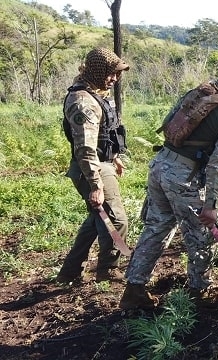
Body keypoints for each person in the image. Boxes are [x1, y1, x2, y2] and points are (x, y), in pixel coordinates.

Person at [119, 67, 218, 310]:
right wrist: (211, 205)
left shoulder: (210, 93)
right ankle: (198, 294)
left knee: (156, 228)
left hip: (161, 165)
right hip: (184, 176)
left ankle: (134, 291)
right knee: (201, 237)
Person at [56, 48, 131, 283]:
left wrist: (114, 156)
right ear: (99, 71)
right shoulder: (83, 102)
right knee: (116, 220)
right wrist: (96, 184)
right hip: (91, 169)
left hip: (101, 163)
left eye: (117, 74)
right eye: (111, 73)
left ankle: (69, 271)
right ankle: (108, 271)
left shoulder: (95, 94)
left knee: (95, 219)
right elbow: (85, 148)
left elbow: (104, 134)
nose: (115, 79)